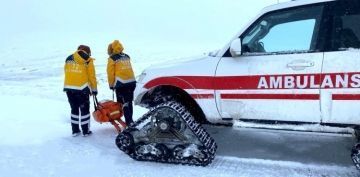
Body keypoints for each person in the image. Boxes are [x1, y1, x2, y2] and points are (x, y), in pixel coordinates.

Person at [64, 45, 98, 137]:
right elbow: (92, 76)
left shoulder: (68, 58)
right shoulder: (88, 60)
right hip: (82, 89)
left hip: (69, 88)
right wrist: (94, 89)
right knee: (84, 111)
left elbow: (66, 71)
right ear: (88, 52)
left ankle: (75, 130)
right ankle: (85, 131)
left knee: (74, 109)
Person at [107, 40, 136, 126]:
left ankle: (129, 122)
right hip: (131, 82)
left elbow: (110, 73)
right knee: (129, 102)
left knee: (122, 103)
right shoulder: (126, 56)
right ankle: (130, 120)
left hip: (121, 84)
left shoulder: (112, 59)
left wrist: (111, 85)